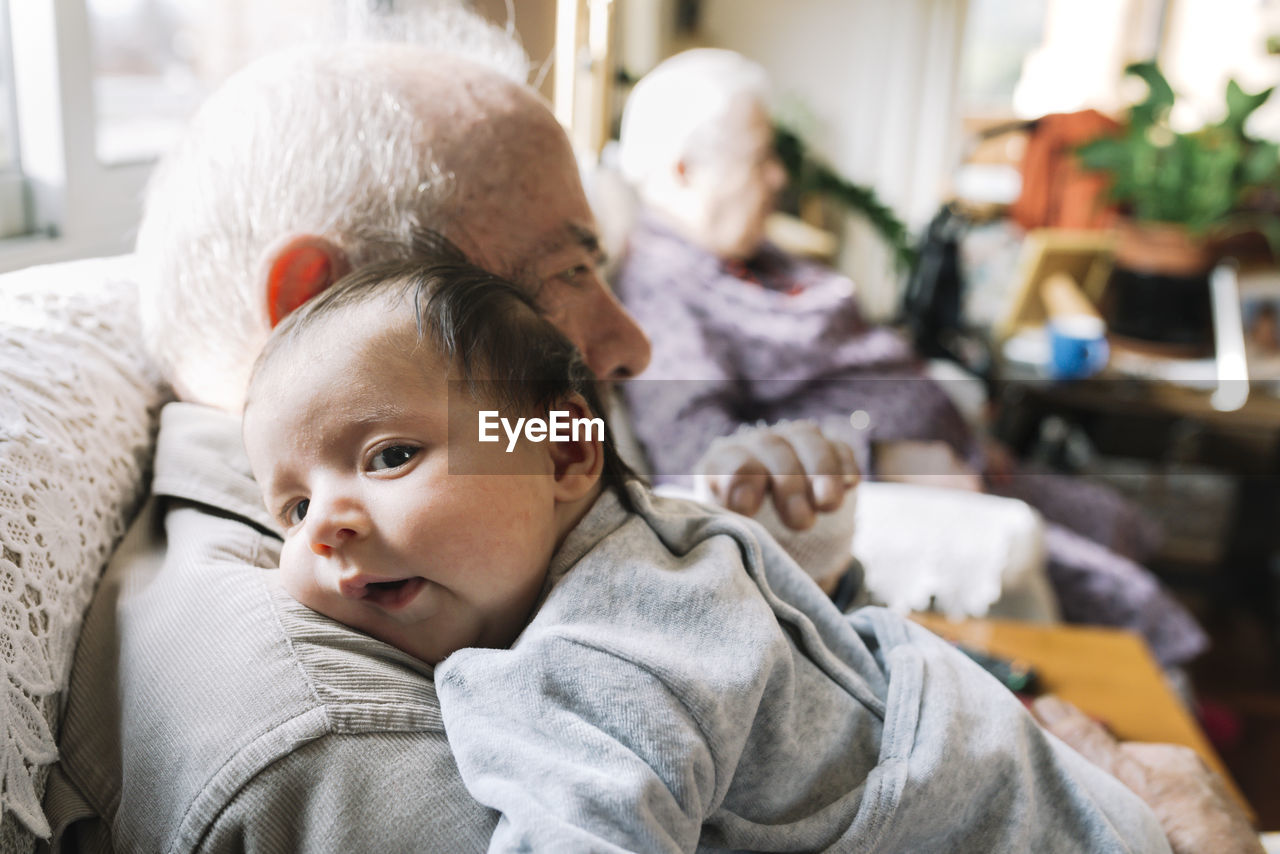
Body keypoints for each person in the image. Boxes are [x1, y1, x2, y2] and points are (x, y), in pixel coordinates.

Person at [42, 9, 1260, 853]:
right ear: (320, 304)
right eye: (567, 273)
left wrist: (778, 545)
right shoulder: (329, 725)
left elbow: (652, 558)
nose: (629, 342)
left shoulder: (443, 492)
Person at [242, 256, 1168, 851]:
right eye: (290, 506)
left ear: (564, 453)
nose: (326, 525)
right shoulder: (644, 544)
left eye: (391, 456)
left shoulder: (593, 655)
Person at [614, 47, 1207, 668]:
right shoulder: (663, 290)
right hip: (914, 485)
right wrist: (882, 453)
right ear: (684, 170)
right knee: (1126, 594)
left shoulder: (743, 252)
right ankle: (1175, 713)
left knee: (1114, 517)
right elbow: (698, 459)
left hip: (963, 460)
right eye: (760, 159)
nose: (778, 179)